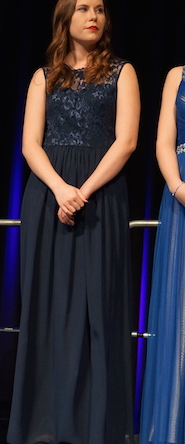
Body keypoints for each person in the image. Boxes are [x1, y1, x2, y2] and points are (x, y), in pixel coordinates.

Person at [8, 0, 139, 444]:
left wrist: (83, 191)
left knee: (99, 307)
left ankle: (97, 427)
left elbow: (126, 141)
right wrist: (62, 189)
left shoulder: (122, 72)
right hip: (49, 194)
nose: (93, 16)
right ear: (65, 18)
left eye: (99, 9)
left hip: (101, 194)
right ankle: (43, 424)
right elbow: (30, 145)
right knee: (47, 307)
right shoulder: (43, 76)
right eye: (84, 9)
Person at [139, 65, 185, 443]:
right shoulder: (178, 75)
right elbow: (164, 143)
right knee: (179, 311)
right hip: (181, 198)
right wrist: (178, 188)